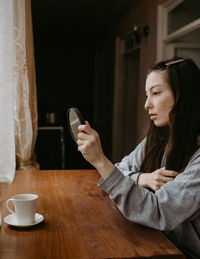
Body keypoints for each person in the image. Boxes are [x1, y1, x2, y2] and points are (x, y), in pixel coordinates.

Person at [77, 57, 200, 259]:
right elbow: (120, 169)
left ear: (183, 96)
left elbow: (159, 211)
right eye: (146, 95)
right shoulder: (159, 138)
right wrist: (142, 178)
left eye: (156, 93)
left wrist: (100, 160)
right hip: (153, 241)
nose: (146, 104)